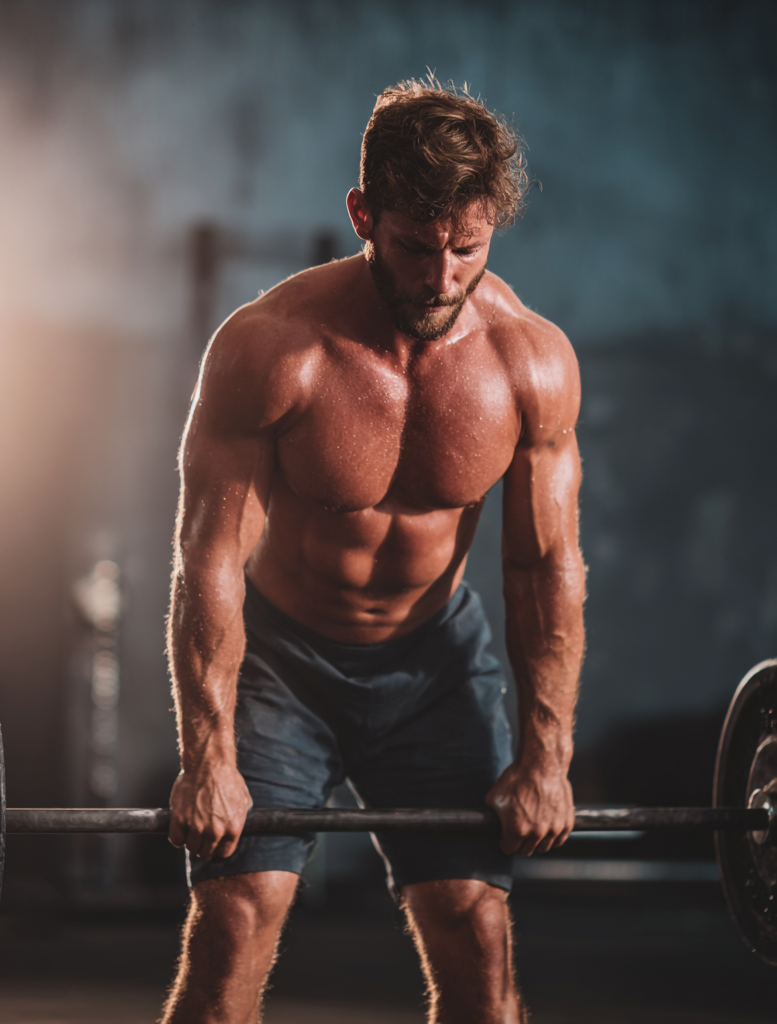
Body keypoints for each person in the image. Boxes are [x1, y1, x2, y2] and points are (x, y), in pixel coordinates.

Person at [162, 78, 585, 1024]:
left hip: (434, 664)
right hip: (281, 662)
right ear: (363, 213)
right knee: (235, 925)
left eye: (466, 249)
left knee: (479, 945)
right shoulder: (271, 349)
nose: (441, 279)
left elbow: (541, 567)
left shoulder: (530, 364)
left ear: (491, 234)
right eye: (413, 246)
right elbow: (211, 559)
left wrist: (545, 754)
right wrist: (208, 752)